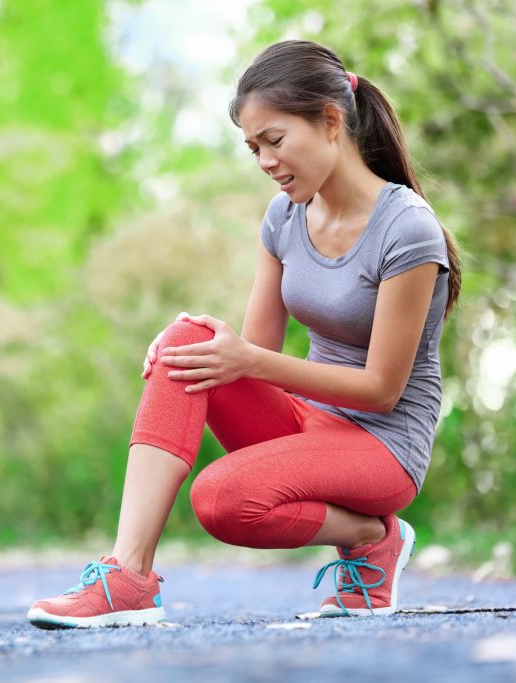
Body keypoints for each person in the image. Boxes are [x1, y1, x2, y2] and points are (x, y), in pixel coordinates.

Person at [26, 39, 462, 629]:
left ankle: (370, 534)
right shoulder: (284, 216)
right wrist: (207, 344)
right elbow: (257, 352)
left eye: (275, 141)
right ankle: (127, 576)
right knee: (185, 339)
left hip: (382, 446)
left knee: (222, 501)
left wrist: (244, 360)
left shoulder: (407, 229)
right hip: (308, 424)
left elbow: (381, 389)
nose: (264, 161)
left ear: (331, 121)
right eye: (253, 148)